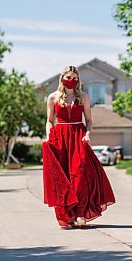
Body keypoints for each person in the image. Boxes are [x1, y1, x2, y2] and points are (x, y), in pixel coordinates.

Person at [42, 65, 116, 229]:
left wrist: (88, 133)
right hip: (60, 137)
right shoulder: (52, 97)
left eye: (74, 79)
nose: (71, 81)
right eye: (68, 78)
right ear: (62, 79)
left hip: (78, 136)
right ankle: (67, 215)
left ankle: (80, 213)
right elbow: (49, 120)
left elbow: (89, 120)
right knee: (63, 177)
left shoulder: (83, 96)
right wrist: (49, 136)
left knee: (79, 175)